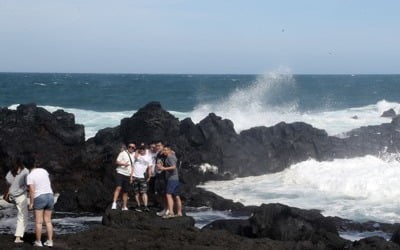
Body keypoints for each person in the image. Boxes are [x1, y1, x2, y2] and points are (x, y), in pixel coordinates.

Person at [25, 156, 54, 247]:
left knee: (38, 222)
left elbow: (32, 191)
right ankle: (50, 241)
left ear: (26, 166)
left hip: (40, 197)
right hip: (50, 195)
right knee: (48, 221)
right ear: (34, 163)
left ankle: (38, 242)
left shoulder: (30, 176)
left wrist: (31, 203)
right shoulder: (43, 171)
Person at [5, 158, 29, 243]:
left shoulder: (12, 171)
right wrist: (24, 188)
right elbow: (28, 184)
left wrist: (14, 184)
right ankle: (18, 238)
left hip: (12, 196)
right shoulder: (25, 171)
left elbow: (7, 178)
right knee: (22, 216)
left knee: (20, 215)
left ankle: (20, 234)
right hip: (20, 196)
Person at [157, 146, 182, 218]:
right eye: (163, 150)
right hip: (176, 178)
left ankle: (171, 213)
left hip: (172, 179)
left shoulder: (170, 157)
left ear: (169, 151)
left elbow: (173, 167)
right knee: (177, 196)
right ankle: (179, 213)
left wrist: (164, 168)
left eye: (166, 150)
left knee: (168, 194)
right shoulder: (173, 156)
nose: (164, 151)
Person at [112, 143, 136, 210]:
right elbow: (116, 162)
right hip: (120, 172)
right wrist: (123, 164)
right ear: (128, 147)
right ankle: (114, 203)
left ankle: (124, 206)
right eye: (129, 147)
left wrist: (131, 176)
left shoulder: (134, 155)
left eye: (132, 147)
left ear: (134, 148)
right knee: (118, 187)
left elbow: (132, 167)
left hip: (128, 175)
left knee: (126, 191)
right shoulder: (123, 153)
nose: (131, 148)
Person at [130, 145, 152, 212]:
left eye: (143, 149)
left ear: (145, 150)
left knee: (144, 192)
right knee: (136, 192)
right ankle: (138, 205)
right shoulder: (136, 155)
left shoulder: (149, 157)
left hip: (142, 177)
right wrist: (131, 176)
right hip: (134, 176)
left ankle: (145, 206)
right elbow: (132, 166)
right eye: (141, 149)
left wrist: (149, 176)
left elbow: (150, 167)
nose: (142, 150)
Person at [154, 141, 168, 216]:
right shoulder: (158, 154)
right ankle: (165, 208)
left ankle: (168, 209)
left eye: (159, 145)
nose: (158, 147)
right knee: (160, 194)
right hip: (158, 176)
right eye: (157, 146)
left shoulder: (166, 154)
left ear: (163, 146)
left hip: (164, 176)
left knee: (166, 194)